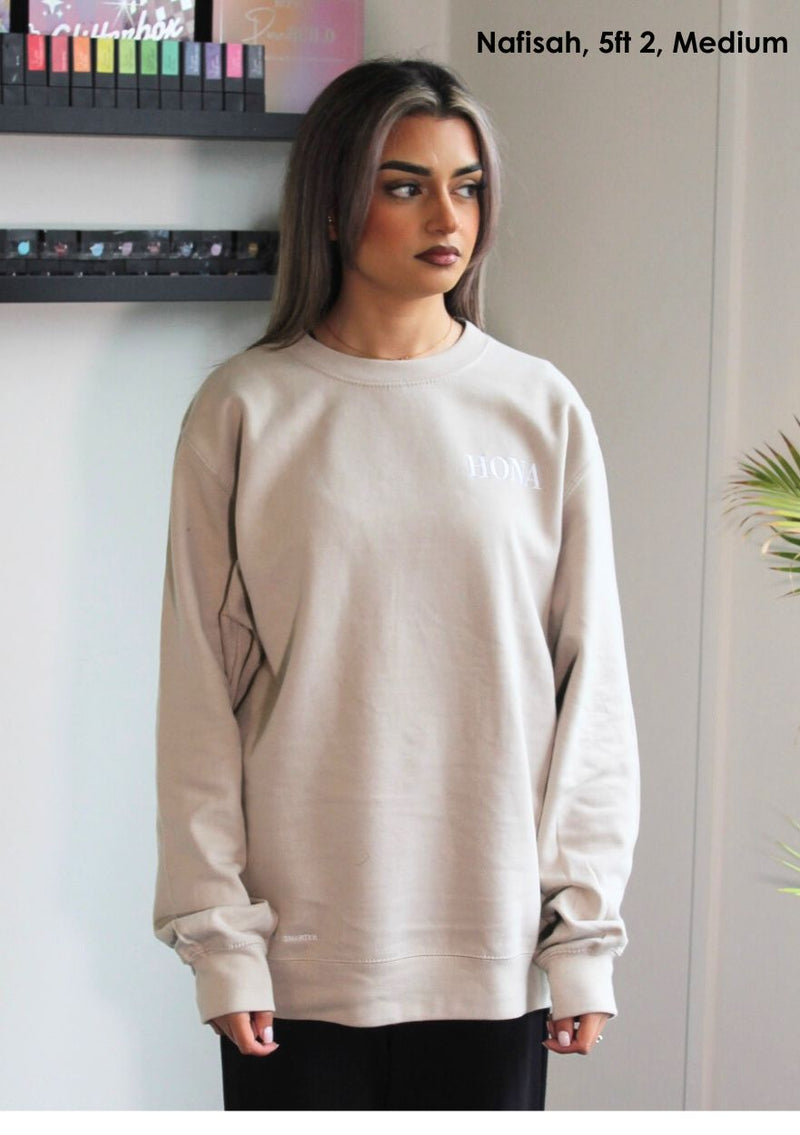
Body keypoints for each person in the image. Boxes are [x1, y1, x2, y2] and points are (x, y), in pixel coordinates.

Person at [153, 57, 640, 1111]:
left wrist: (581, 937)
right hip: (298, 961)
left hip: (493, 951)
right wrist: (221, 941)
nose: (447, 216)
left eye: (467, 186)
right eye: (405, 185)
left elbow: (591, 688)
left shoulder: (538, 408)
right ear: (333, 205)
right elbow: (198, 700)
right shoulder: (244, 409)